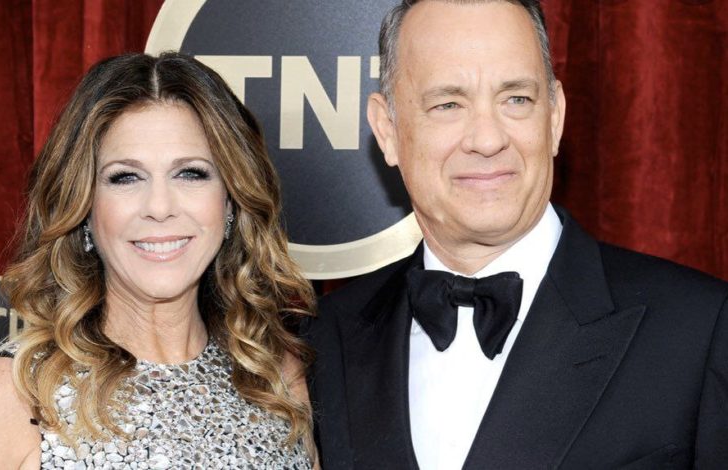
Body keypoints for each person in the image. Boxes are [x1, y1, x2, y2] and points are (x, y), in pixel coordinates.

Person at [305, 1, 728, 469]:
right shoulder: (321, 342)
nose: (487, 140)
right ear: (387, 130)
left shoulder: (701, 330)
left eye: (516, 99)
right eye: (448, 104)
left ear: (555, 116)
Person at [0, 52, 316, 468]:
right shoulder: (10, 397)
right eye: (125, 177)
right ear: (84, 207)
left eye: (191, 173)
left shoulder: (277, 380)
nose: (159, 207)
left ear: (230, 201)